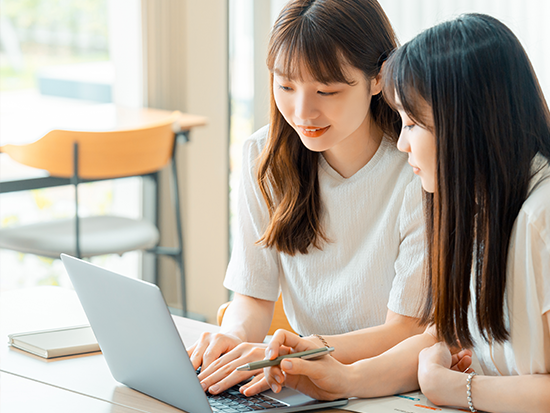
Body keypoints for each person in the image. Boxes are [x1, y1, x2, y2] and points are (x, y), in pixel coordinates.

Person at [260, 13, 550, 411]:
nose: (401, 144)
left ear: (465, 125)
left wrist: (449, 387)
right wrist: (343, 378)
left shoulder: (541, 219)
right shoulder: (483, 207)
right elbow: (443, 336)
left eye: (413, 124)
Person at [188, 0, 428, 395]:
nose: (302, 112)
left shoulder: (417, 169)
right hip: (301, 381)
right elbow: (253, 294)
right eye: (285, 86)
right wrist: (231, 338)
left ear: (378, 79)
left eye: (326, 90)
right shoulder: (264, 158)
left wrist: (295, 355)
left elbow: (407, 328)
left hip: (390, 385)